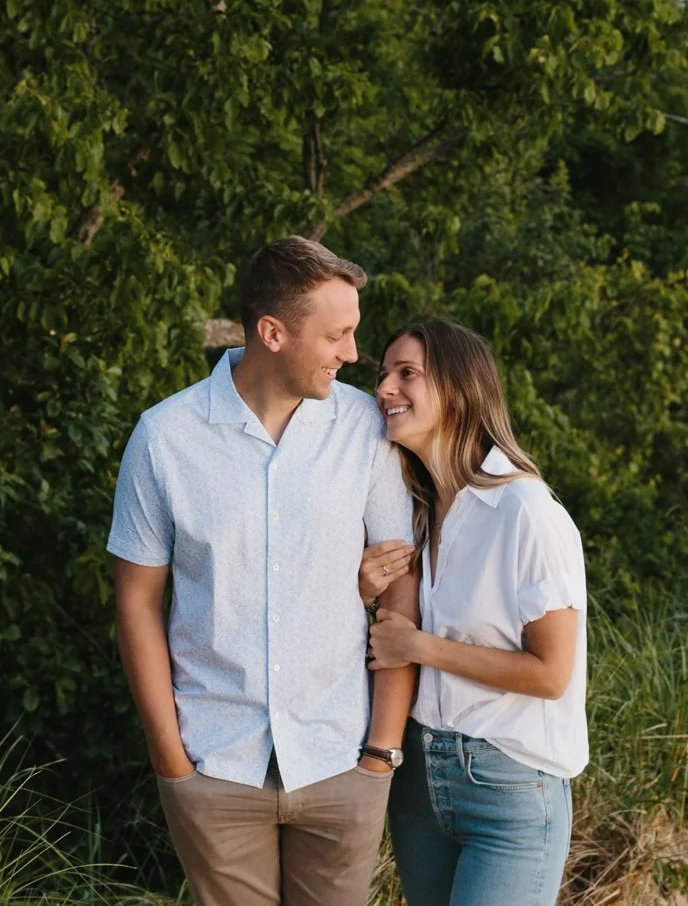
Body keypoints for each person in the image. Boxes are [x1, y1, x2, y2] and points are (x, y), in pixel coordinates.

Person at [108, 236, 422, 906]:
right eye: (336, 334)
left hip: (343, 759)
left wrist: (382, 754)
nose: (352, 352)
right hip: (215, 763)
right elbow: (136, 603)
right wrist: (173, 762)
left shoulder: (365, 428)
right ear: (272, 332)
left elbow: (401, 581)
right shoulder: (165, 438)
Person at [358, 320, 587, 906]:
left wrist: (420, 647)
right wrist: (362, 593)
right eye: (384, 374)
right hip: (418, 788)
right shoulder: (415, 513)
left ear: (460, 389)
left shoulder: (524, 511)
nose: (385, 387)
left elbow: (550, 673)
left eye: (407, 373)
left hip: (507, 787)